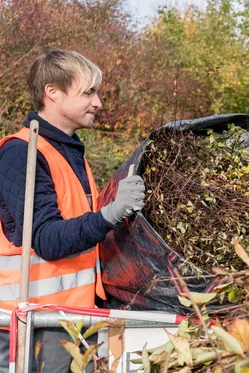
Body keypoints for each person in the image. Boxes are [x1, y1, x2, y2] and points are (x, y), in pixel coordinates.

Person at [0, 49, 146, 372]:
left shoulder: (70, 154)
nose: (98, 103)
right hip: (33, 328)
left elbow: (81, 232)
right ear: (52, 92)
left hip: (74, 320)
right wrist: (111, 214)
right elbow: (47, 239)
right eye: (88, 92)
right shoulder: (21, 153)